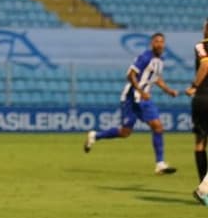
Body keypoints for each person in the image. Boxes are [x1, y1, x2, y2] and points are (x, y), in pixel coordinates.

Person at [84, 32, 179, 174]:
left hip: (144, 99)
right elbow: (130, 74)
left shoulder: (161, 60)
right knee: (126, 132)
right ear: (151, 43)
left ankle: (160, 164)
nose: (159, 44)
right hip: (131, 98)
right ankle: (95, 136)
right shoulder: (145, 57)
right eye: (156, 41)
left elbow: (156, 78)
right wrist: (140, 91)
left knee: (156, 127)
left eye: (161, 41)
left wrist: (168, 90)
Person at [187, 20, 208, 205]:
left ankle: (203, 186)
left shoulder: (200, 45)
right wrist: (194, 85)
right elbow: (205, 65)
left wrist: (194, 88)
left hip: (200, 101)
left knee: (200, 143)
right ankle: (204, 189)